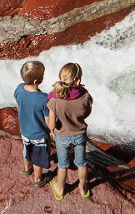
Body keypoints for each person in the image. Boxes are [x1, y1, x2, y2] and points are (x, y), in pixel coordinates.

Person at [47, 62, 93, 199]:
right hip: (79, 134)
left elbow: (51, 123)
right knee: (81, 162)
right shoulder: (85, 95)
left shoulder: (54, 100)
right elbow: (87, 112)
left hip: (62, 136)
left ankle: (60, 189)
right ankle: (83, 188)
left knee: (63, 165)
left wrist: (52, 130)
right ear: (78, 80)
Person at [13, 60, 52, 188]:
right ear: (36, 81)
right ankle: (38, 178)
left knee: (27, 150)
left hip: (24, 130)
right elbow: (48, 121)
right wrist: (52, 130)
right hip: (39, 134)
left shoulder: (19, 88)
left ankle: (26, 169)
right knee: (38, 157)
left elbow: (18, 105)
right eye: (42, 75)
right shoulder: (44, 99)